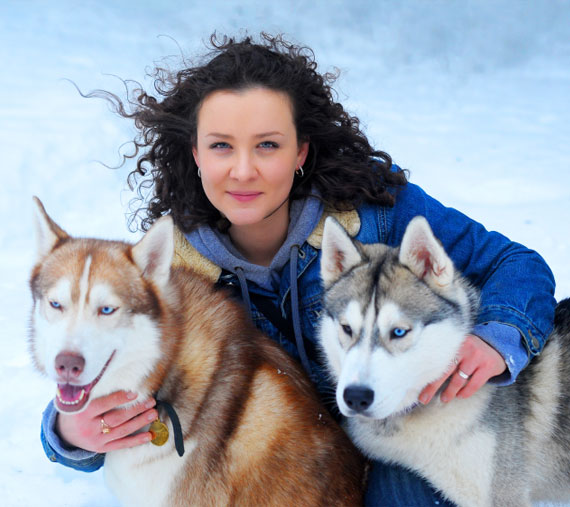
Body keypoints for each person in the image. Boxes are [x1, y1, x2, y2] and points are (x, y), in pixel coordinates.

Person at [40, 33, 556, 505]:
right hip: (293, 470)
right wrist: (68, 432)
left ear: (300, 152)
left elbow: (516, 265)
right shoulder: (173, 270)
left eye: (267, 145)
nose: (244, 170)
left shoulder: (376, 212)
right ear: (195, 154)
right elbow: (118, 364)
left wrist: (496, 338)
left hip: (403, 441)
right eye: (221, 146)